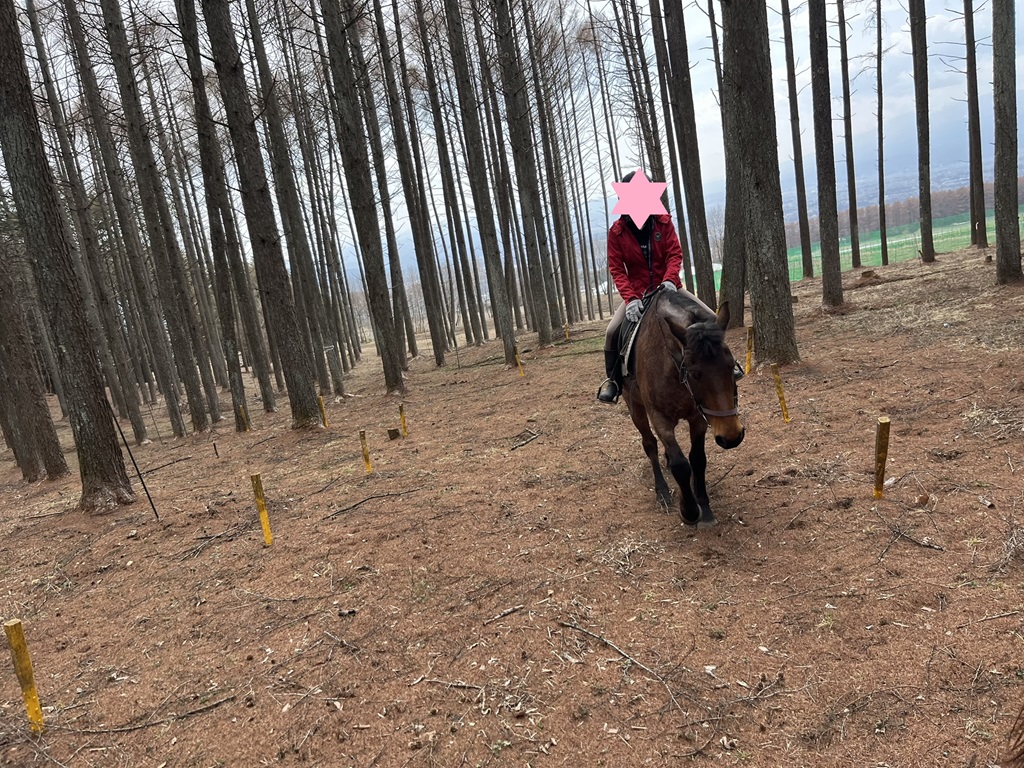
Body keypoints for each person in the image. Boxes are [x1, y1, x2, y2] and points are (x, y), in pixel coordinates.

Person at [597, 171, 713, 403]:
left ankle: (722, 367)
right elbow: (617, 269)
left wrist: (669, 280)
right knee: (611, 332)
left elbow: (674, 254)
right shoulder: (617, 232)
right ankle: (613, 382)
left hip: (669, 287)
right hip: (638, 293)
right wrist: (630, 298)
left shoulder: (663, 222)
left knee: (711, 317)